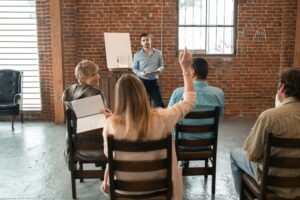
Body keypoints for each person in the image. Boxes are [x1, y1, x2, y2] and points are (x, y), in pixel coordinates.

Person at [101, 48, 196, 200]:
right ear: (143, 94)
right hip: (160, 192)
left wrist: (114, 119)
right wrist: (186, 68)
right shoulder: (163, 118)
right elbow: (189, 101)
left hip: (125, 193)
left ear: (118, 97)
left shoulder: (111, 124)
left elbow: (109, 155)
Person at [230, 67, 300, 199]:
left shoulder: (269, 117)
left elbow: (252, 156)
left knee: (235, 154)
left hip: (273, 183)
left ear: (283, 87)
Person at [168, 58, 224, 151]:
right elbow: (219, 116)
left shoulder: (178, 93)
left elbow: (170, 118)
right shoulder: (218, 93)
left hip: (181, 143)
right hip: (207, 143)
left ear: (192, 72)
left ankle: (181, 163)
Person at [62, 60, 111, 165]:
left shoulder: (69, 92)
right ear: (82, 78)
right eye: (93, 75)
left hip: (75, 144)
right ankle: (104, 167)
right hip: (98, 145)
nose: (98, 76)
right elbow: (102, 122)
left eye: (97, 73)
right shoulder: (97, 94)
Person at [132, 32, 165, 107]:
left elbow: (161, 65)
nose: (145, 42)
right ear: (141, 43)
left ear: (150, 40)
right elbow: (134, 68)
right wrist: (141, 73)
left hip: (154, 81)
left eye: (147, 40)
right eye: (143, 40)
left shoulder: (158, 53)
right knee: (140, 104)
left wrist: (160, 69)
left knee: (160, 104)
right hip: (142, 81)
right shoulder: (137, 55)